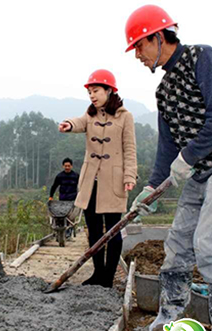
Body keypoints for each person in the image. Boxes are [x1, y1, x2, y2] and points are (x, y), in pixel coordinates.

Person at [125, 5, 212, 331]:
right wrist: (152, 187)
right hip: (200, 171)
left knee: (209, 245)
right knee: (178, 244)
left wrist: (189, 156)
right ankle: (168, 317)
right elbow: (167, 147)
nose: (138, 56)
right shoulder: (164, 91)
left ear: (158, 37)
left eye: (139, 46)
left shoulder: (203, 58)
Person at [59, 69, 137, 288]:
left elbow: (130, 149)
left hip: (113, 180)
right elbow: (79, 122)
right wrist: (68, 124)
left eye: (96, 91)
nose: (92, 96)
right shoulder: (90, 115)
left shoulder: (125, 116)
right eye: (90, 92)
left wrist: (129, 175)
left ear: (109, 91)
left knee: (112, 230)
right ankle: (98, 273)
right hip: (90, 181)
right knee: (93, 228)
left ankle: (108, 278)